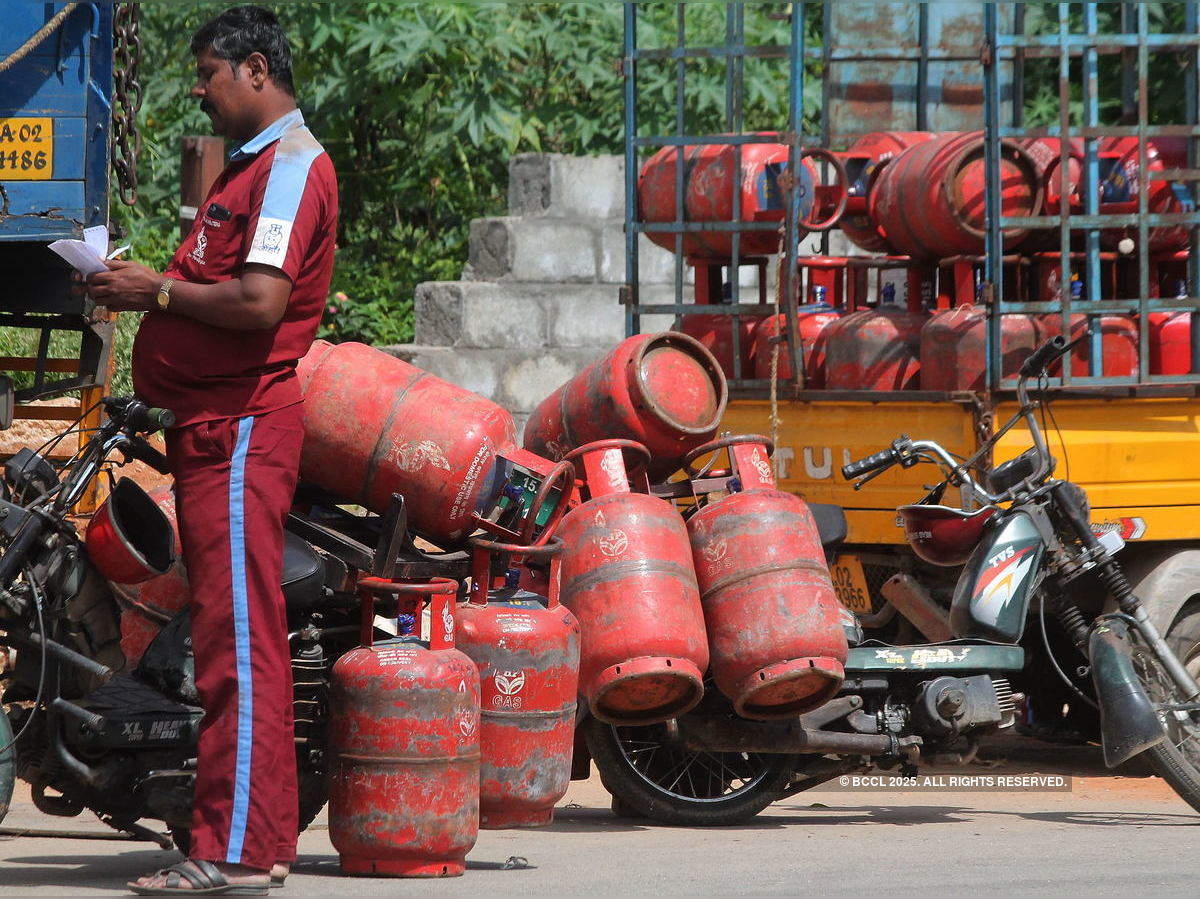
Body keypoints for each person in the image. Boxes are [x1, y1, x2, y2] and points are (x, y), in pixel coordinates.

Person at [86, 6, 337, 894]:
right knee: (238, 639)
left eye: (209, 73)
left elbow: (260, 303)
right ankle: (255, 839)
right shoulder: (252, 172)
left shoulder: (289, 169)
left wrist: (156, 292)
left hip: (239, 432)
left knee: (235, 645)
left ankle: (228, 850)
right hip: (213, 430)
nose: (200, 89)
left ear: (257, 69)